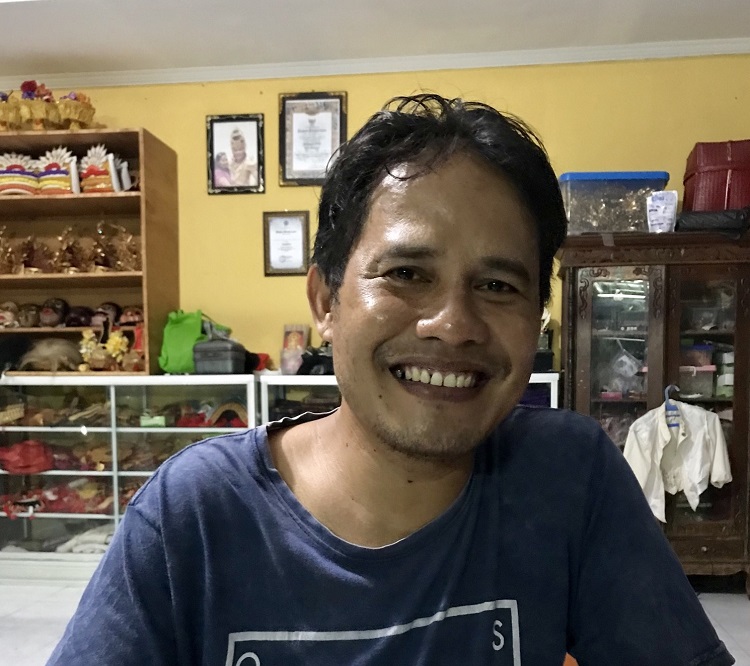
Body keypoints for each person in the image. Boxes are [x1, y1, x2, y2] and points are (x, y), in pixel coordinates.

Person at [48, 94, 734, 665]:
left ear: (538, 319)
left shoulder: (566, 477)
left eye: (498, 285)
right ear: (325, 300)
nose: (454, 325)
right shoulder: (196, 516)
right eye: (407, 273)